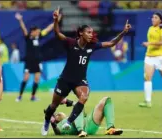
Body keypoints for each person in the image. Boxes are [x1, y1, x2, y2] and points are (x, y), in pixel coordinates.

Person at [41, 7, 131, 136]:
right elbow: (58, 34)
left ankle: (69, 121)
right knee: (54, 105)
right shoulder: (71, 43)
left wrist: (123, 32)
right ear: (81, 33)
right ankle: (46, 121)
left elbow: (111, 43)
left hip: (79, 80)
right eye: (88, 32)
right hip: (65, 79)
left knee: (84, 97)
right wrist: (55, 21)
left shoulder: (92, 46)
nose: (91, 34)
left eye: (92, 32)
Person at [15, 12, 61, 102]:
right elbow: (23, 28)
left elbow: (48, 29)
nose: (39, 31)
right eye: (37, 30)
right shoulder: (28, 37)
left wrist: (56, 21)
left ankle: (33, 96)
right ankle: (20, 96)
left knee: (37, 79)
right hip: (29, 62)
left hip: (37, 61)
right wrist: (20, 20)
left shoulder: (39, 37)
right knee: (26, 78)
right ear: (33, 31)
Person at [50, 97, 123, 137]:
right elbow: (58, 133)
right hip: (81, 130)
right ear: (56, 119)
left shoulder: (70, 118)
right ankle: (80, 131)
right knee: (78, 109)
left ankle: (110, 128)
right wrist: (53, 124)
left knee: (106, 100)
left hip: (89, 123)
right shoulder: (61, 125)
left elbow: (79, 105)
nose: (58, 114)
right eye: (57, 114)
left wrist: (67, 101)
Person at [139, 12, 162, 108]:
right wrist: (148, 45)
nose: (153, 19)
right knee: (147, 78)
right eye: (152, 17)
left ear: (160, 20)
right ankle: (148, 101)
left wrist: (149, 44)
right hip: (149, 56)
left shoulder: (161, 29)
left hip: (160, 56)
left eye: (155, 17)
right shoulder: (150, 28)